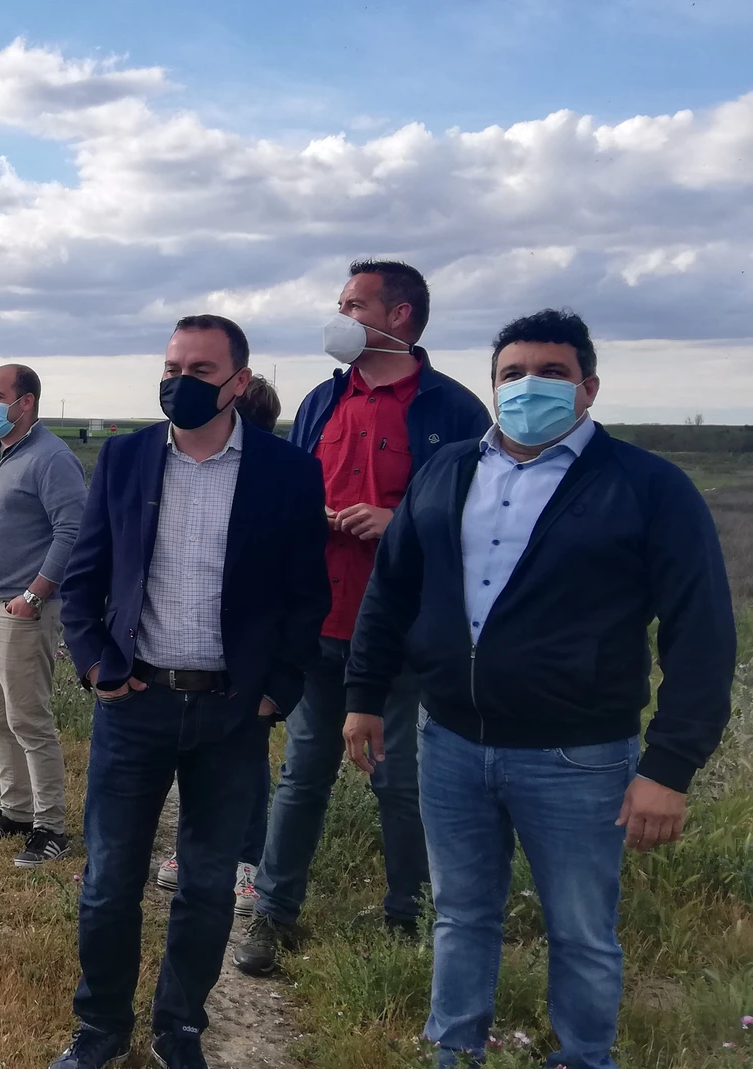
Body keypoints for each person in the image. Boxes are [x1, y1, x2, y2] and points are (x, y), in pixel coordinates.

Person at [346, 309, 736, 1069]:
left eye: (552, 373)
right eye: (512, 374)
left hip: (578, 755)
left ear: (588, 387)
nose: (530, 386)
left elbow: (702, 632)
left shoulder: (648, 487)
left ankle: (585, 1056)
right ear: (493, 387)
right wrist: (363, 694)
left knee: (582, 927)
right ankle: (454, 1052)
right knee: (461, 914)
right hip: (451, 742)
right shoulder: (449, 469)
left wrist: (669, 767)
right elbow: (392, 590)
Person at [52, 315, 330, 1069]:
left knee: (207, 888)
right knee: (109, 882)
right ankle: (101, 1025)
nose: (179, 380)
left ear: (238, 382)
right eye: (172, 365)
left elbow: (309, 598)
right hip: (134, 705)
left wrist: (276, 691)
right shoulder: (125, 459)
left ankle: (180, 1027)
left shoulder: (287, 472)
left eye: (201, 370)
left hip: (232, 714)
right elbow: (82, 582)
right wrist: (98, 667)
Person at [233, 260, 491, 975]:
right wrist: (305, 517)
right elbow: (290, 487)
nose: (339, 315)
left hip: (404, 629)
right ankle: (273, 913)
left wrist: (398, 521)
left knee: (398, 777)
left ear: (399, 315)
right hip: (320, 618)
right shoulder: (321, 400)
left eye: (353, 303)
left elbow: (482, 515)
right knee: (303, 772)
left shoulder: (454, 410)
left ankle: (408, 914)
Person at [155, 370, 284, 914]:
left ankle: (246, 861)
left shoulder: (277, 476)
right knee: (195, 756)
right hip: (193, 651)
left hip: (249, 653)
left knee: (245, 762)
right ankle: (197, 853)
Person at [0, 364, 87, 867]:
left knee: (29, 720)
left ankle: (49, 826)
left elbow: (71, 532)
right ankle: (14, 811)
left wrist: (34, 595)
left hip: (21, 611)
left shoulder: (53, 458)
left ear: (26, 402)